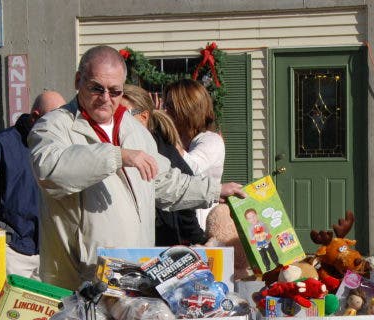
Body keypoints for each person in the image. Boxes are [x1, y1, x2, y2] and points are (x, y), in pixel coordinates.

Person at [29, 46, 244, 290]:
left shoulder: (135, 130)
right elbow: (49, 169)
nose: (105, 98)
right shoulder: (54, 126)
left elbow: (163, 181)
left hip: (135, 274)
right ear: (78, 81)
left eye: (115, 91)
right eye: (96, 88)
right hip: (81, 278)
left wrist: (214, 190)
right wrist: (117, 156)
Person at [0, 90, 66, 280]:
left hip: (52, 251)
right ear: (35, 117)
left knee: (53, 309)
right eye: (54, 120)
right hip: (13, 251)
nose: (59, 127)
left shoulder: (61, 147)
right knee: (13, 309)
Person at [121, 84, 204, 246]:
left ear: (143, 117)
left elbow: (184, 192)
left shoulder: (159, 147)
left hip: (160, 243)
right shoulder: (125, 147)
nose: (117, 121)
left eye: (123, 116)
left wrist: (196, 237)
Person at [163, 79, 225, 231]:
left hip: (201, 222)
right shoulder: (176, 139)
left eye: (170, 106)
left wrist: (168, 134)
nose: (165, 111)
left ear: (187, 109)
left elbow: (192, 168)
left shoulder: (212, 140)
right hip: (173, 219)